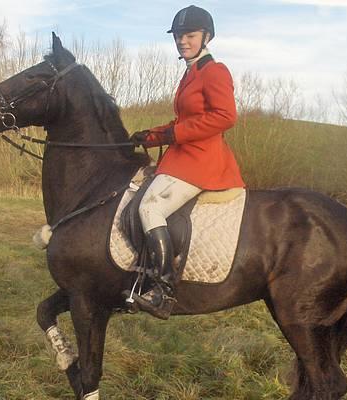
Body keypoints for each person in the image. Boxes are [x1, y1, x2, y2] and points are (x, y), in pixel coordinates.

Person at [128, 5, 245, 319]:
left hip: (202, 160)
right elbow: (184, 119)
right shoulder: (190, 73)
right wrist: (149, 136)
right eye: (179, 36)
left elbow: (225, 116)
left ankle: (163, 291)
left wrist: (175, 133)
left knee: (150, 208)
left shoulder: (215, 71)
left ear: (206, 37)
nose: (182, 41)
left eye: (189, 35)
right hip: (182, 157)